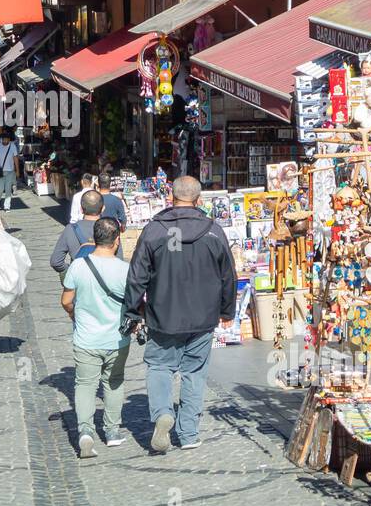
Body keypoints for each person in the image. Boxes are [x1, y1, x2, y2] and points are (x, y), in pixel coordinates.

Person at [122, 176, 235, 453]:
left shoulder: (154, 231)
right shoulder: (214, 232)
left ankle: (162, 413)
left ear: (171, 197)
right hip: (202, 317)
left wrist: (133, 310)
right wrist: (227, 309)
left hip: (163, 315)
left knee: (160, 367)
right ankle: (188, 434)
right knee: (194, 372)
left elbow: (136, 276)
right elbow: (228, 276)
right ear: (199, 200)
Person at [61, 217, 130, 457]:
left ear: (94, 239)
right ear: (117, 241)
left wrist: (74, 316)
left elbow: (66, 301)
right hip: (117, 339)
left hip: (86, 339)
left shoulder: (78, 266)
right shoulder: (126, 270)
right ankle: (111, 432)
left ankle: (86, 432)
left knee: (85, 385)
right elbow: (135, 305)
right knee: (114, 382)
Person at [51, 189, 121, 274]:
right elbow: (119, 259)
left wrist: (71, 271)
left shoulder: (70, 229)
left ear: (81, 209)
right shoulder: (111, 228)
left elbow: (56, 261)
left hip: (80, 279)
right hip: (106, 278)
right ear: (103, 208)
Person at [0, 129, 20, 210]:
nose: (4, 140)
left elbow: (15, 159)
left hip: (10, 171)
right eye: (3, 139)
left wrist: (17, 170)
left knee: (8, 189)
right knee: (0, 189)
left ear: (9, 139)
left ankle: (7, 206)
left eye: (6, 139)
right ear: (1, 139)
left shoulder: (13, 146)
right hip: (0, 171)